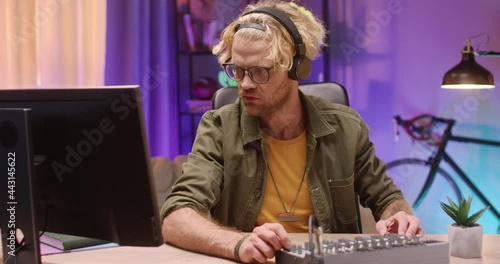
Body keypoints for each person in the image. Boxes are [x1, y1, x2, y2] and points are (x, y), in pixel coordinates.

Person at [161, 0, 423, 263]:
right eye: (237, 70)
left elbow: (387, 198)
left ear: (297, 69)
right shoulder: (218, 127)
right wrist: (238, 243)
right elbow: (175, 215)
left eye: (259, 72)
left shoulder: (346, 127)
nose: (245, 84)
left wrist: (397, 217)